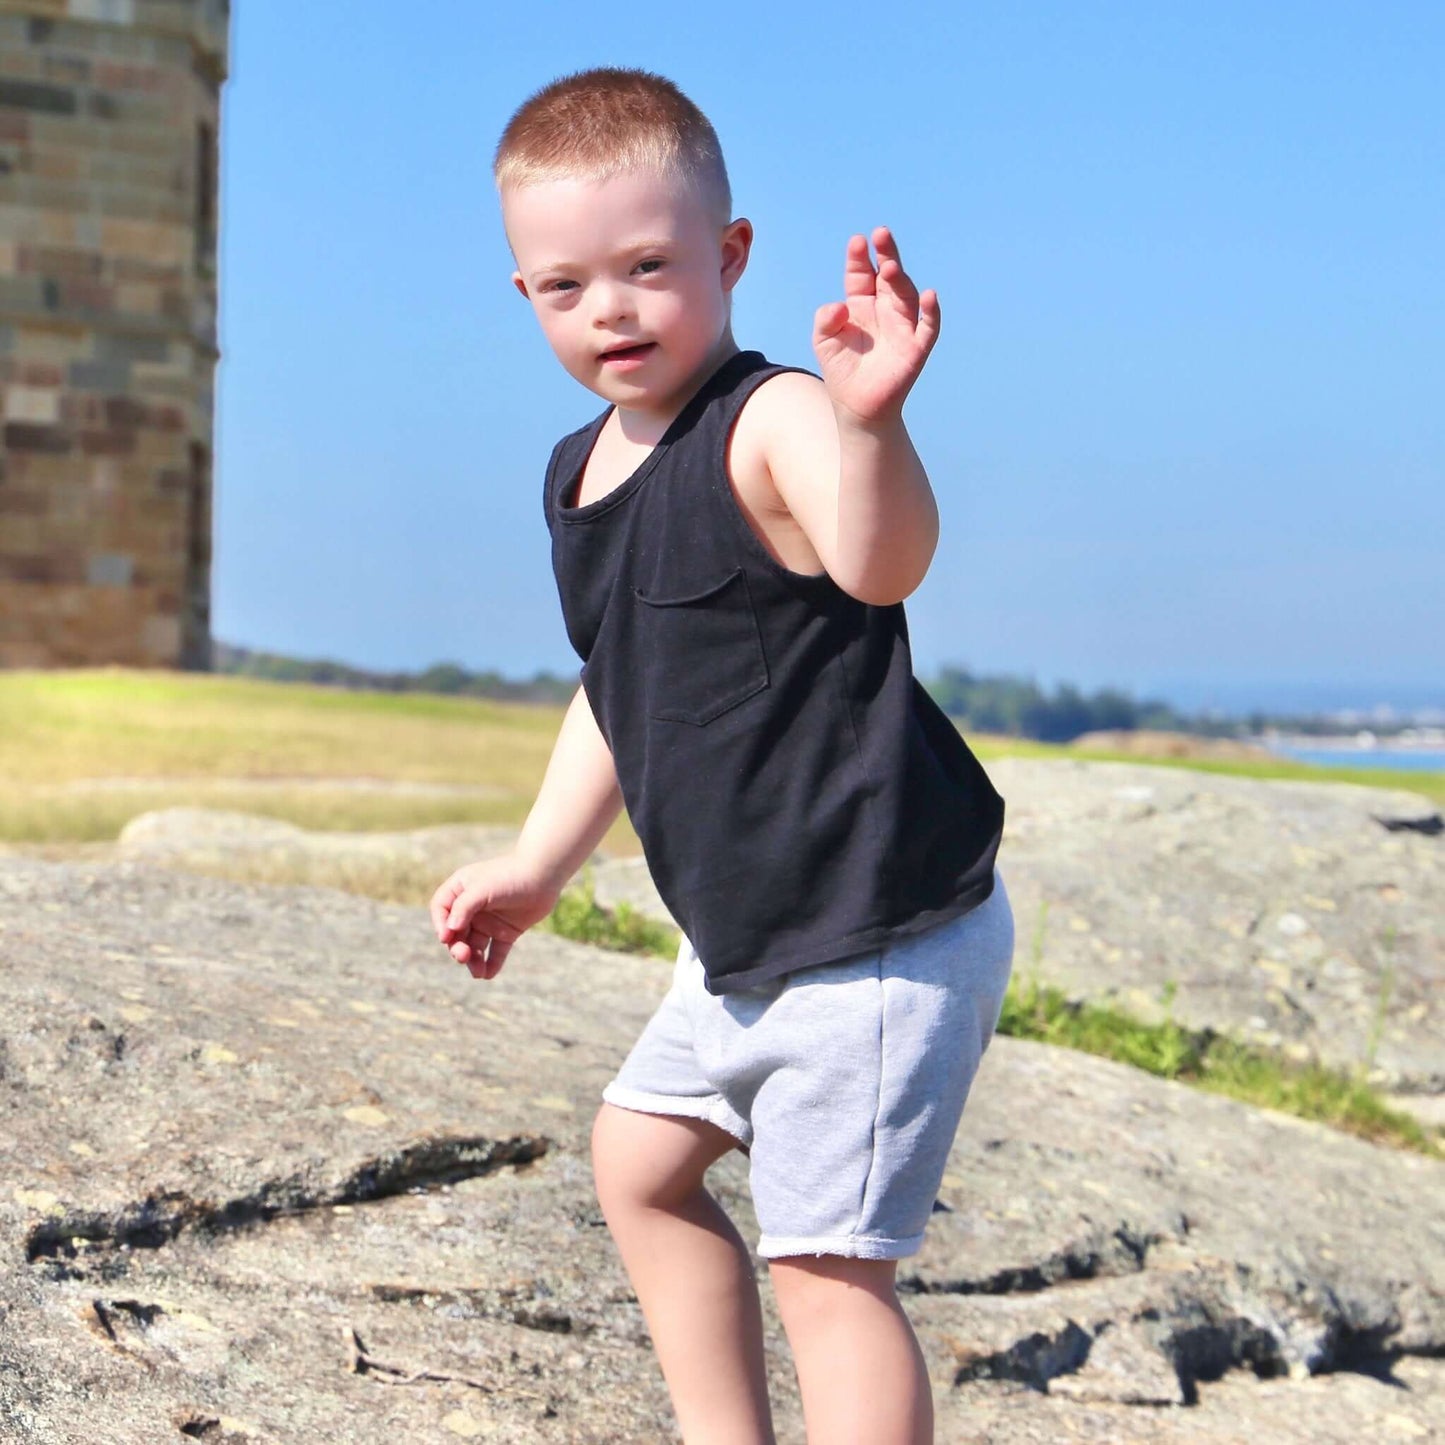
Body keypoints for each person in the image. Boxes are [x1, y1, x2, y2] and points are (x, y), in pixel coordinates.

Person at [429, 67, 1014, 1445]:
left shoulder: (777, 420)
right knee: (637, 1165)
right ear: (523, 297)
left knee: (824, 1269)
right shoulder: (577, 472)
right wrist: (535, 863)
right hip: (746, 936)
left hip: (874, 924)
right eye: (566, 286)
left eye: (647, 266)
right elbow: (616, 688)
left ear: (729, 254)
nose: (611, 309)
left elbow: (879, 563)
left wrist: (871, 422)